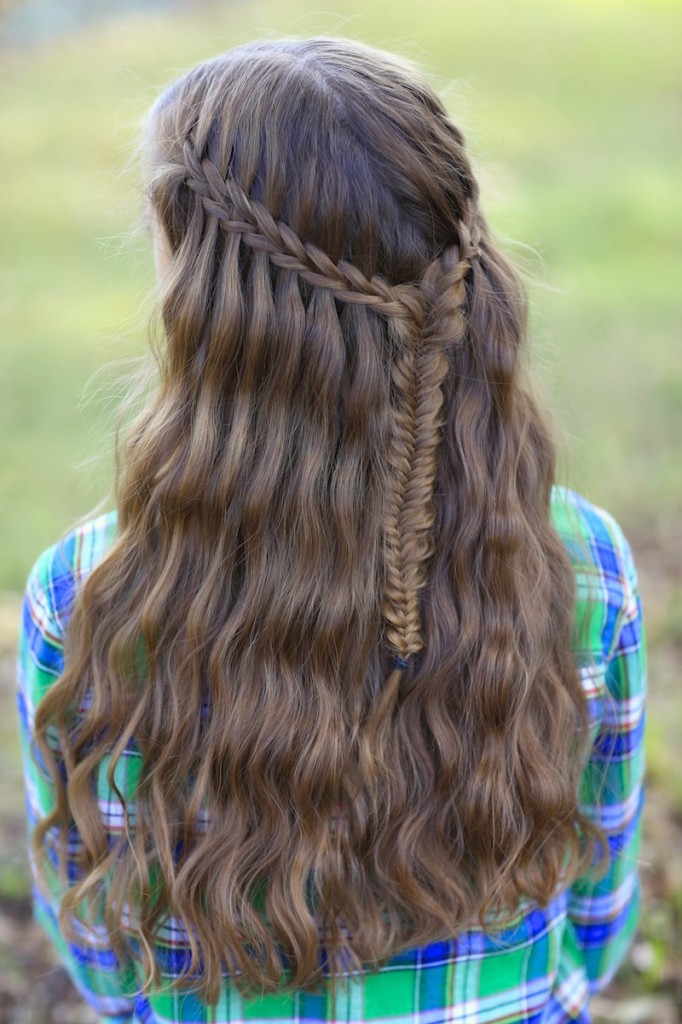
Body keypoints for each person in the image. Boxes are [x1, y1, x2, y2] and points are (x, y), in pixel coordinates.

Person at [17, 37, 646, 1024]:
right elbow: (597, 913)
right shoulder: (579, 563)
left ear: (197, 285)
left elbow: (100, 948)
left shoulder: (90, 592)